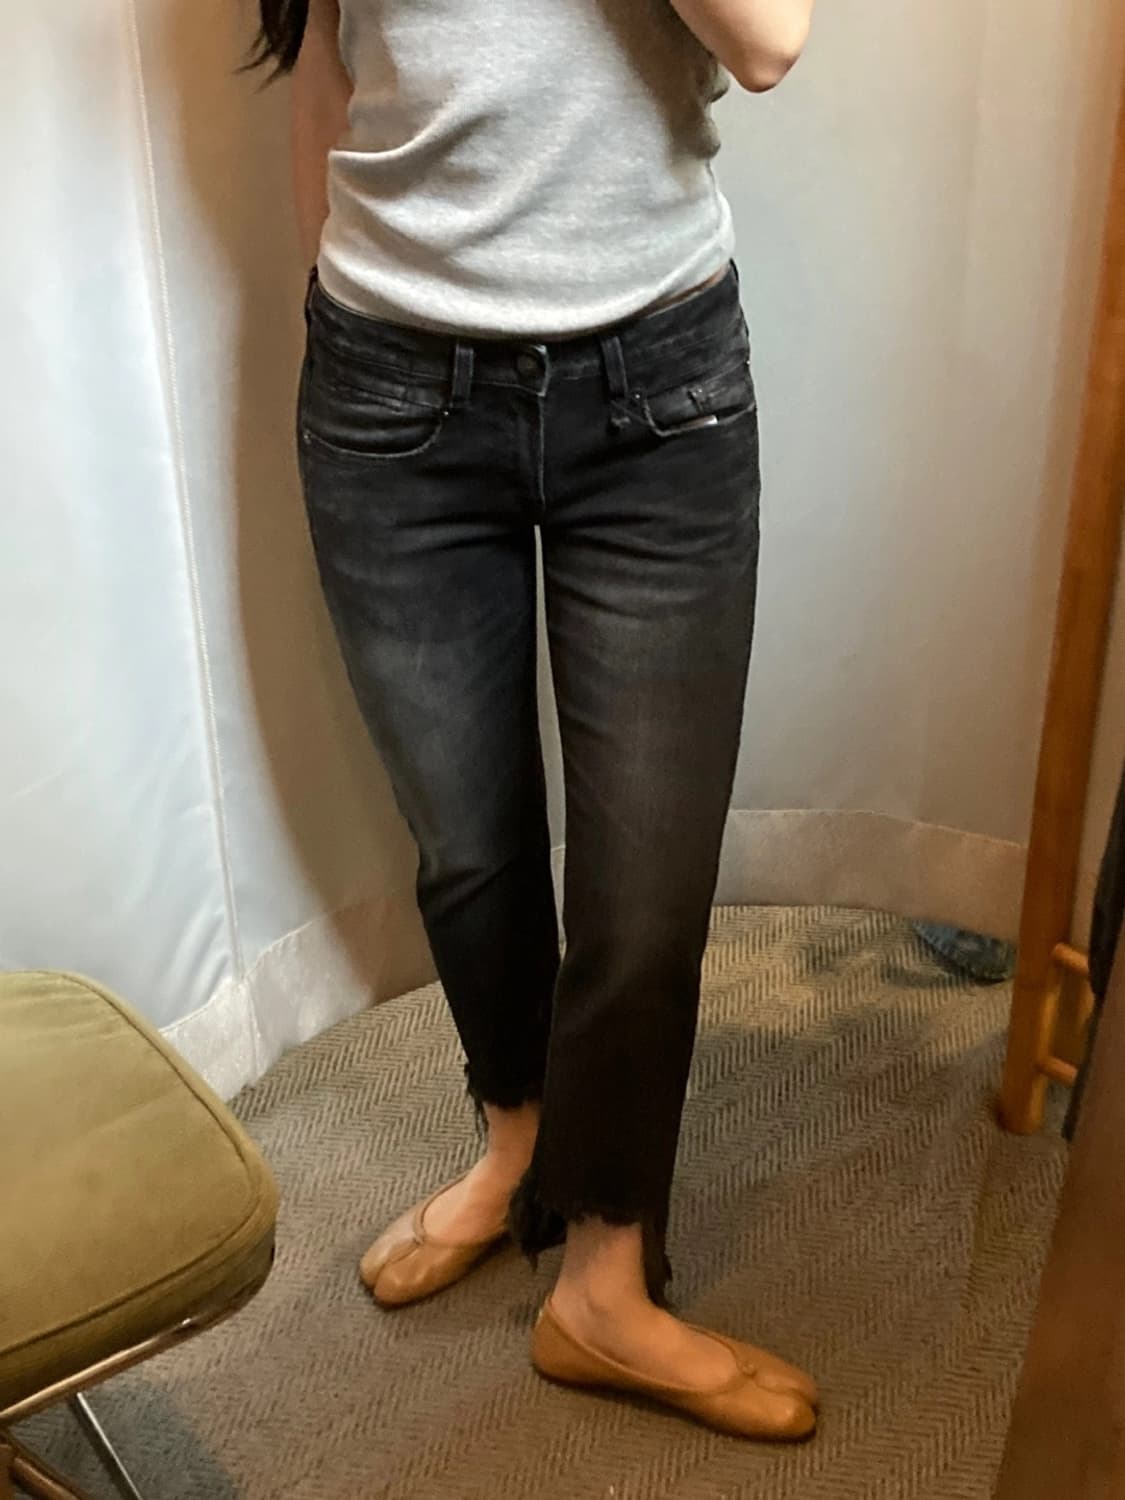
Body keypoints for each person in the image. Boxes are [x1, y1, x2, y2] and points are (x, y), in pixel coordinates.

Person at [253, 0, 818, 1441]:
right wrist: (342, 298)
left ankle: (605, 1286)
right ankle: (517, 1143)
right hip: (390, 395)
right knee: (469, 842)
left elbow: (767, 41)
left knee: (645, 883)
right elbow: (326, 56)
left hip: (658, 393)